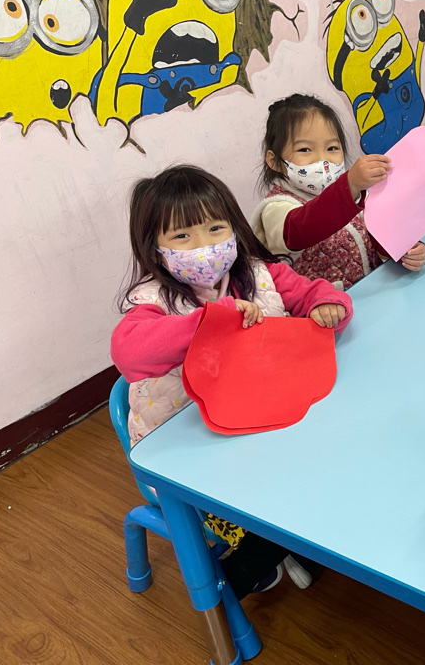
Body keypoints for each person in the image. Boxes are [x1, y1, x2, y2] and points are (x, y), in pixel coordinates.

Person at [111, 164, 354, 598]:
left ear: (234, 228)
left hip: (264, 419)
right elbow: (129, 354)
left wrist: (328, 304)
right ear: (156, 249)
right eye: (182, 236)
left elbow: (311, 292)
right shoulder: (152, 300)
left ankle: (289, 541)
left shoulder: (260, 274)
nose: (203, 246)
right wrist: (207, 322)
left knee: (327, 466)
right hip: (193, 450)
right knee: (264, 513)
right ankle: (241, 572)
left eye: (214, 228)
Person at [251, 94, 425, 291]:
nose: (322, 159)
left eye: (332, 148)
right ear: (274, 161)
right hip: (325, 306)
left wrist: (406, 251)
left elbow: (378, 233)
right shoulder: (276, 207)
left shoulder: (354, 192)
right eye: (305, 150)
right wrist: (350, 185)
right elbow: (301, 229)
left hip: (374, 295)